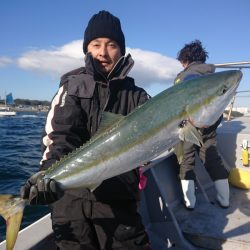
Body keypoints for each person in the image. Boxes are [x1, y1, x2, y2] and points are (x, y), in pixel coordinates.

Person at [20, 10, 151, 250]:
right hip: (71, 203)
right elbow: (60, 137)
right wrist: (48, 175)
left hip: (120, 201)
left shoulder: (138, 97)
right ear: (86, 49)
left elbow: (154, 138)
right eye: (96, 44)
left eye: (111, 45)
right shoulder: (72, 87)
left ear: (121, 49)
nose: (103, 52)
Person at [174, 40, 230, 210]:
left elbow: (179, 104)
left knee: (186, 161)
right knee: (212, 159)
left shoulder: (185, 77)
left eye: (182, 61)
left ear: (186, 59)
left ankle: (190, 203)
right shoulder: (212, 75)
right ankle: (224, 200)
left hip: (189, 126)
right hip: (211, 125)